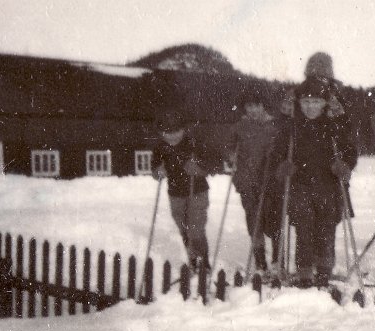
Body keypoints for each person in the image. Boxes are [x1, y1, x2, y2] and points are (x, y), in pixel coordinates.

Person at [273, 78, 357, 288]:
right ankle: (304, 271)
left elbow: (349, 150)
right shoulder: (293, 126)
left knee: (326, 226)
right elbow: (278, 151)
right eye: (306, 102)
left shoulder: (333, 125)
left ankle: (324, 269)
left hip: (328, 184)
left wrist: (344, 165)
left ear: (324, 104)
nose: (311, 107)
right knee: (304, 226)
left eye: (316, 102)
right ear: (299, 104)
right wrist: (283, 165)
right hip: (300, 184)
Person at [151, 108, 215, 271]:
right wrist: (159, 171)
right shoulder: (160, 148)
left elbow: (212, 165)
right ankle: (193, 260)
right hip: (175, 193)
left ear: (183, 130)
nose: (172, 135)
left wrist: (198, 168)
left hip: (197, 191)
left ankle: (204, 262)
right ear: (161, 132)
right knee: (184, 228)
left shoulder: (193, 144)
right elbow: (155, 170)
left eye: (176, 131)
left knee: (195, 228)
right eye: (167, 132)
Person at [226, 88, 281, 273]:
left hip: (269, 181)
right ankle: (260, 261)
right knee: (253, 220)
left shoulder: (272, 126)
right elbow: (229, 146)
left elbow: (280, 150)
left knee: (273, 219)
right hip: (247, 181)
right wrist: (231, 155)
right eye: (249, 106)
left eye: (256, 105)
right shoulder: (239, 127)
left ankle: (276, 259)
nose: (253, 110)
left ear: (263, 105)